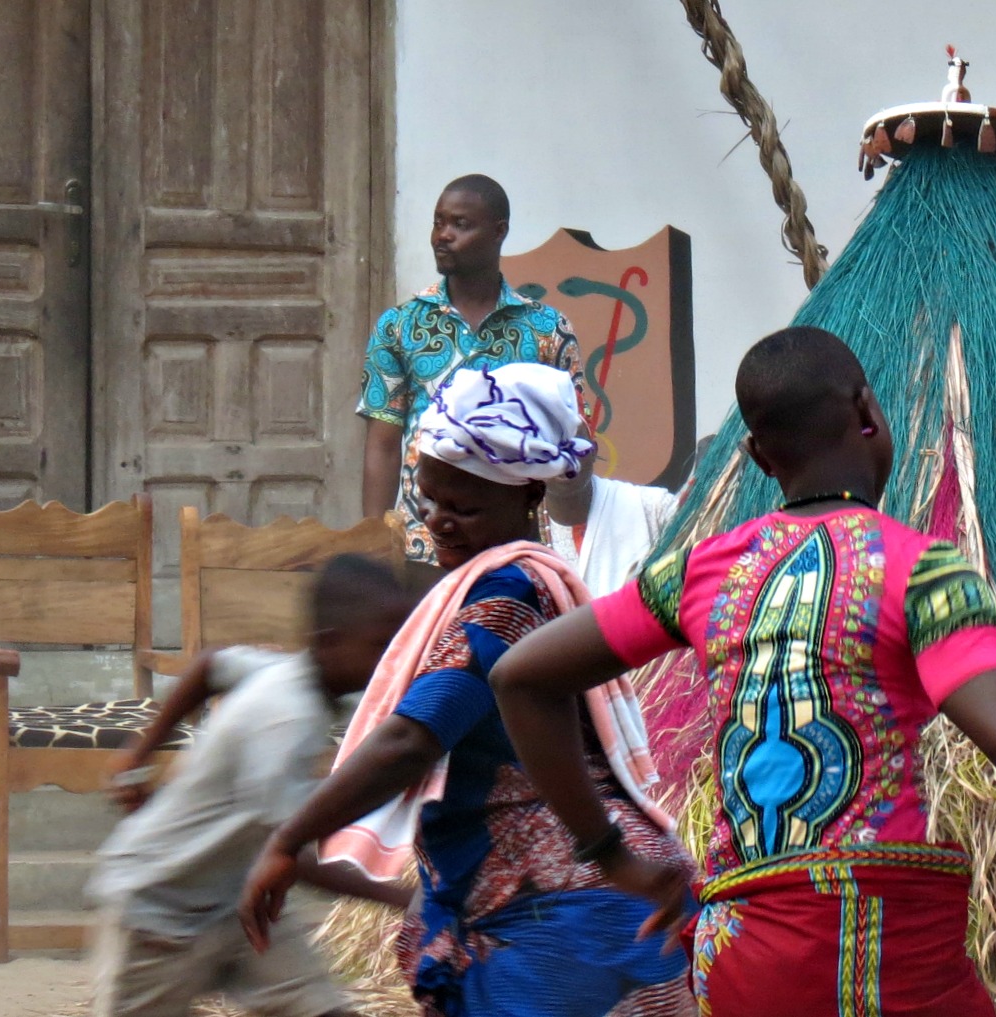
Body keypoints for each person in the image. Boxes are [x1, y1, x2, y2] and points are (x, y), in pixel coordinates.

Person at [485, 327, 996, 1017]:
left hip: (739, 956)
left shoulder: (698, 573)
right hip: (879, 951)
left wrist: (609, 853)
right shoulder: (923, 571)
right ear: (868, 409)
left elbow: (521, 677)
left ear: (756, 455)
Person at [240, 363, 693, 1017]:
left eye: (464, 507)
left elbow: (410, 740)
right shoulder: (523, 585)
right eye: (429, 501)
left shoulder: (503, 601)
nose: (439, 521)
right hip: (581, 895)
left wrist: (288, 840)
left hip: (563, 911)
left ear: (529, 493)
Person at [90, 556, 416, 1017]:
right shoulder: (284, 717)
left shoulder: (288, 672)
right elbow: (289, 852)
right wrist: (403, 897)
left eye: (400, 644)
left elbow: (210, 666)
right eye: (381, 645)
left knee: (320, 1009)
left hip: (236, 903)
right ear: (329, 642)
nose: (393, 659)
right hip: (158, 913)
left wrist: (139, 753)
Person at [358, 174, 580, 566]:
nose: (443, 235)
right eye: (438, 222)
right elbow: (383, 444)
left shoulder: (548, 329)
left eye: (460, 224)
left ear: (499, 231)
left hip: (518, 549)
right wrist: (374, 549)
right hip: (424, 548)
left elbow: (572, 441)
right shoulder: (399, 325)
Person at [543, 414, 679, 596]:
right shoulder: (523, 524)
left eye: (576, 444)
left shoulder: (655, 508)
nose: (566, 457)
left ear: (594, 451)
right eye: (552, 446)